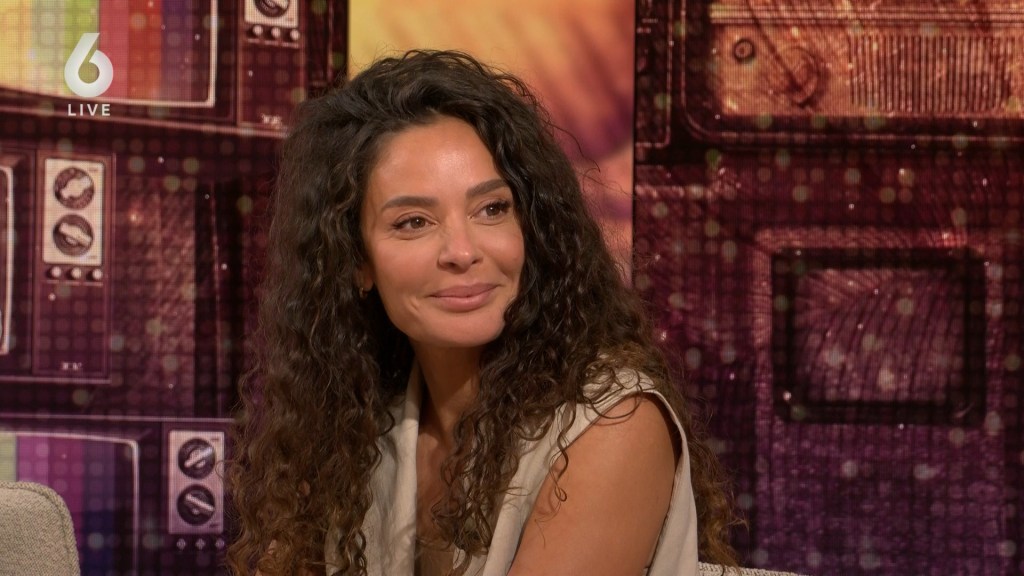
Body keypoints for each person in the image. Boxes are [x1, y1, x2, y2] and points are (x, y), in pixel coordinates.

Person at [227, 49, 740, 576]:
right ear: (356, 261)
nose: (462, 251)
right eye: (413, 221)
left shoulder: (614, 423)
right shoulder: (352, 432)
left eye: (492, 209)